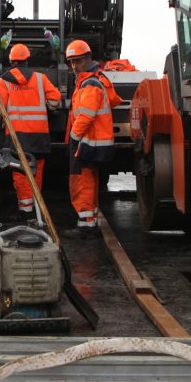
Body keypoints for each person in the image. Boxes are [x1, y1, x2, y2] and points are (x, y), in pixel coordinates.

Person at [0, 43, 62, 217]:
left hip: (16, 137)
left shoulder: (3, 81)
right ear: (27, 60)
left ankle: (25, 210)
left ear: (11, 61)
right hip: (39, 136)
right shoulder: (40, 79)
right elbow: (55, 100)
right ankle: (37, 207)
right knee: (36, 171)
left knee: (20, 173)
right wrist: (49, 106)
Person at [64, 39, 121, 236]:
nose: (74, 66)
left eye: (78, 61)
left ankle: (86, 225)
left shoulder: (90, 84)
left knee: (81, 183)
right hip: (93, 142)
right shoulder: (93, 80)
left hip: (86, 142)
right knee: (89, 181)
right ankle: (90, 220)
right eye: (72, 62)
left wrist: (73, 137)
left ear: (88, 58)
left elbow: (86, 115)